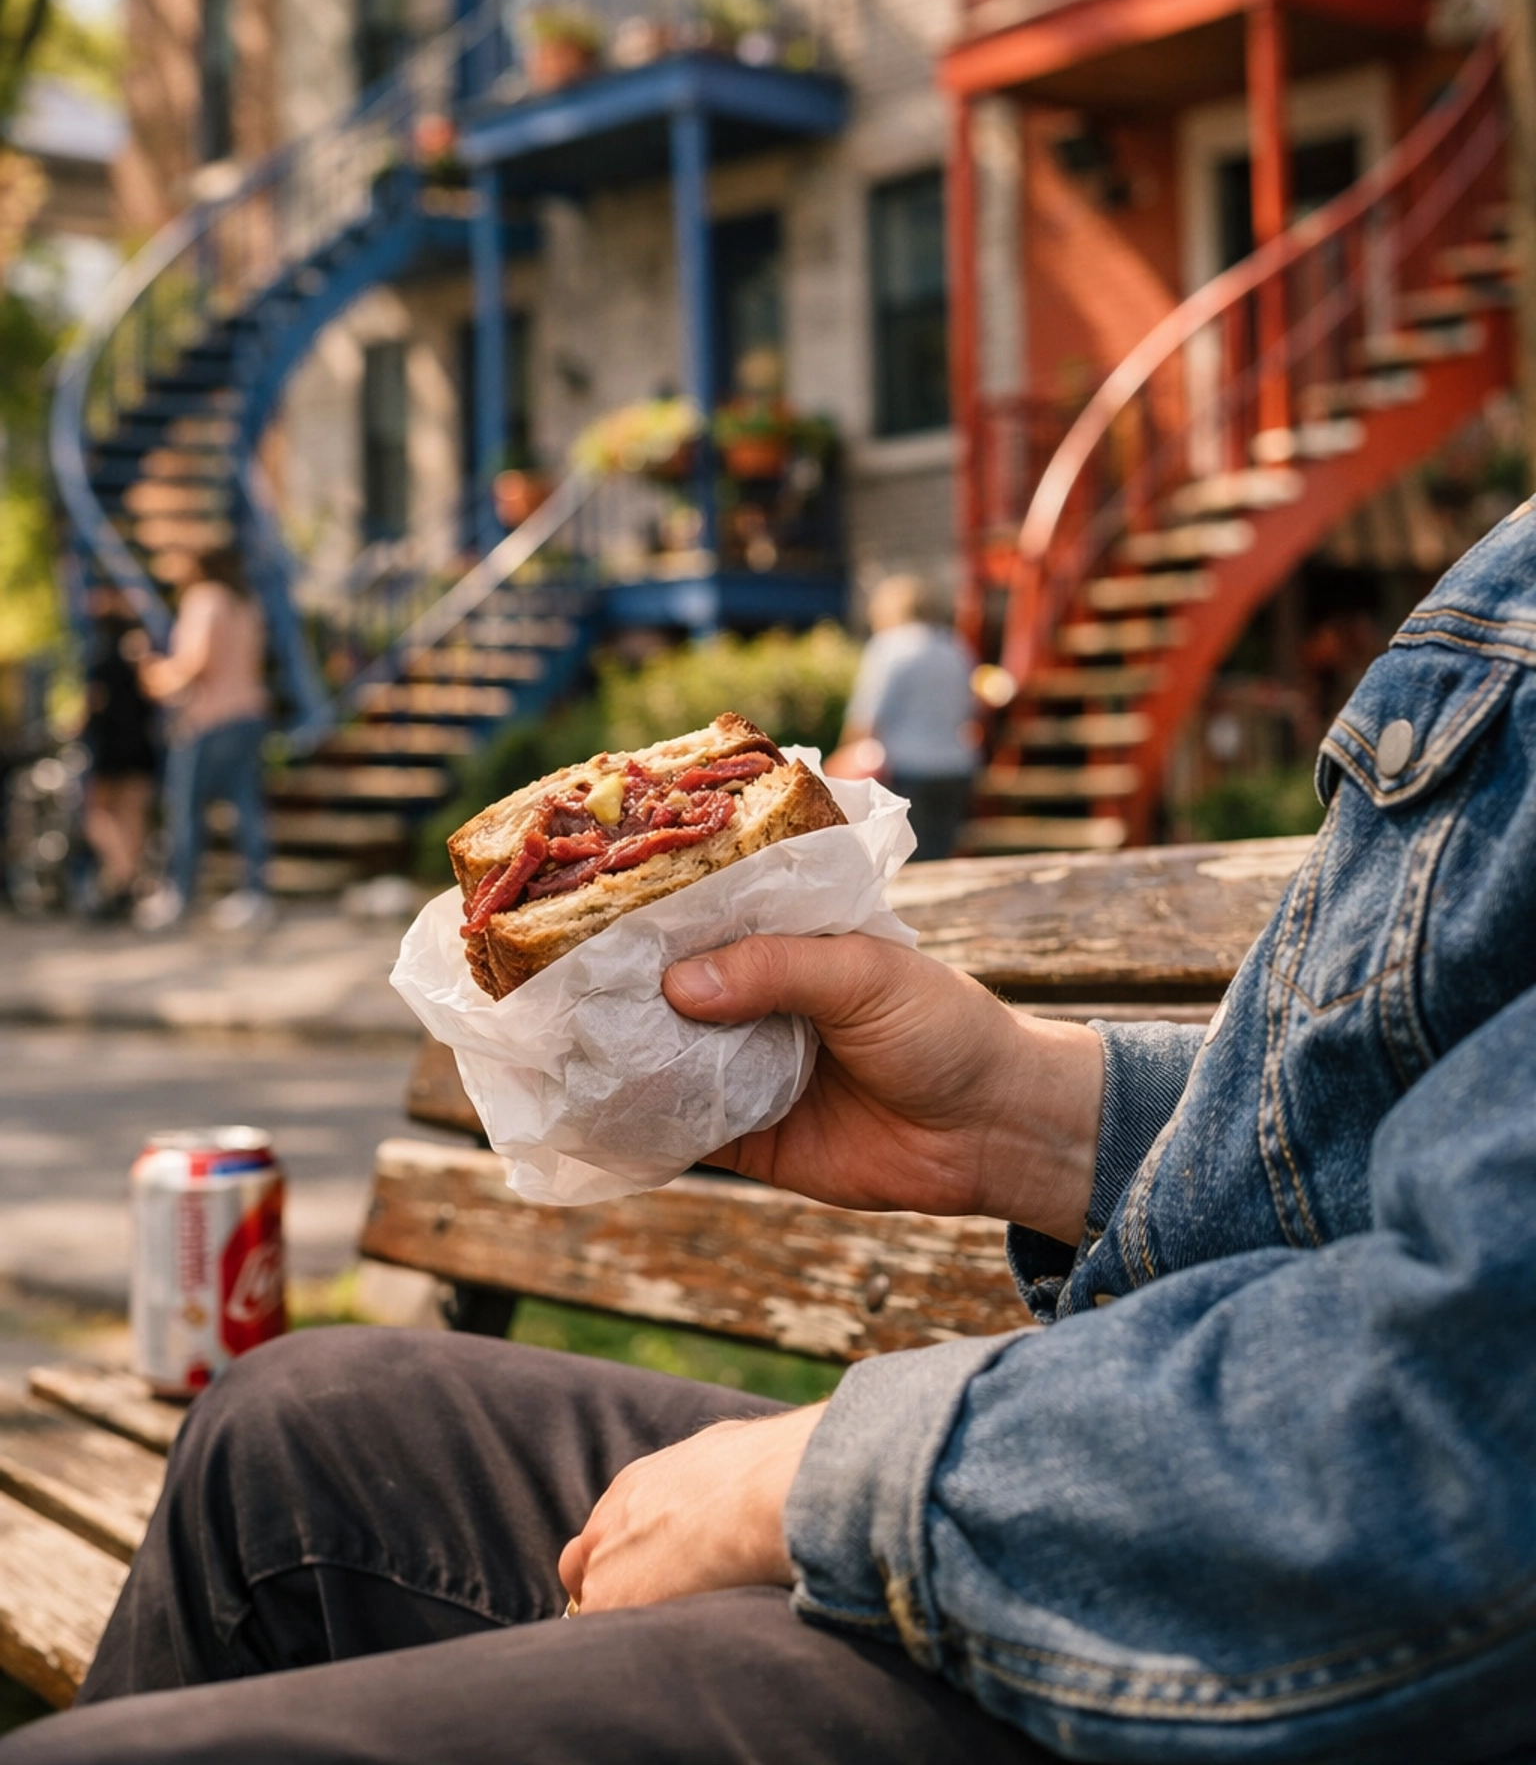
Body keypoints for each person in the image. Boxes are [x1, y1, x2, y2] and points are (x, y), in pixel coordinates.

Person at [9, 502, 1536, 1764]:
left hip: (1287, 1664)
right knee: (289, 1427)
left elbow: (1470, 1440)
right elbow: (1400, 1175)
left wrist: (807, 1480)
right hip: (1155, 1473)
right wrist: (1028, 1120)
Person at [133, 545, 273, 934]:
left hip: (208, 720)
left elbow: (195, 663)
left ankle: (180, 894)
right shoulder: (246, 602)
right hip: (248, 714)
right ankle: (255, 893)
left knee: (185, 810)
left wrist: (155, 674)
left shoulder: (204, 599)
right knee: (246, 807)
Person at [838, 571, 979, 858]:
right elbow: (970, 710)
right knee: (941, 852)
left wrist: (844, 755)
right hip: (956, 765)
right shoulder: (956, 647)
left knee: (904, 856)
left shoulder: (890, 646)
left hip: (907, 768)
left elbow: (865, 718)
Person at [77, 588, 160, 920]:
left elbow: (93, 704)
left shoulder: (101, 655)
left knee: (96, 814)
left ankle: (123, 876)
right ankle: (125, 880)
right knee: (132, 817)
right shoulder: (141, 651)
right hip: (140, 743)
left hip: (113, 745)